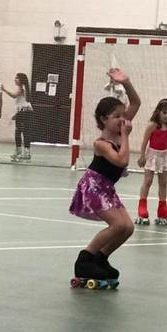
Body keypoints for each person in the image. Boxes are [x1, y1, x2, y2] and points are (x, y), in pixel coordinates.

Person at [68, 68, 141, 289]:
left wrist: (127, 83)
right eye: (116, 117)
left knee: (128, 227)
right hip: (93, 187)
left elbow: (136, 103)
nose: (122, 120)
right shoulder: (102, 143)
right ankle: (85, 259)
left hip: (107, 188)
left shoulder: (119, 129)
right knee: (117, 224)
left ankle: (100, 258)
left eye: (123, 115)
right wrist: (126, 136)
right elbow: (121, 161)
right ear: (103, 119)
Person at [136, 98, 167, 226]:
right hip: (152, 155)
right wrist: (142, 156)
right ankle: (142, 206)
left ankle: (162, 209)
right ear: (158, 111)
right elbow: (144, 142)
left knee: (163, 183)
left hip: (164, 156)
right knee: (148, 181)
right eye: (164, 112)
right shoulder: (152, 125)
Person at [2, 72, 33, 161]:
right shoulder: (24, 88)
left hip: (25, 112)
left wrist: (4, 90)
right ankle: (23, 152)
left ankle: (21, 152)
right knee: (22, 132)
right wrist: (16, 114)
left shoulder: (21, 88)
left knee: (20, 132)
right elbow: (21, 102)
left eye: (17, 78)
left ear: (21, 80)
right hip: (25, 111)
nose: (15, 79)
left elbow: (13, 96)